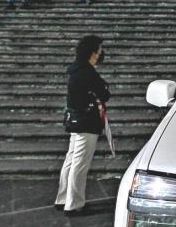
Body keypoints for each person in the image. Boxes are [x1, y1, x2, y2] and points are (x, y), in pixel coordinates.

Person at [55, 35, 110, 216]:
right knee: (79, 164)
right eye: (100, 49)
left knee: (71, 161)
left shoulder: (76, 70)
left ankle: (63, 198)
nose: (102, 53)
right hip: (86, 123)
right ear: (93, 52)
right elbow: (104, 92)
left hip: (76, 121)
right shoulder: (86, 72)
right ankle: (74, 204)